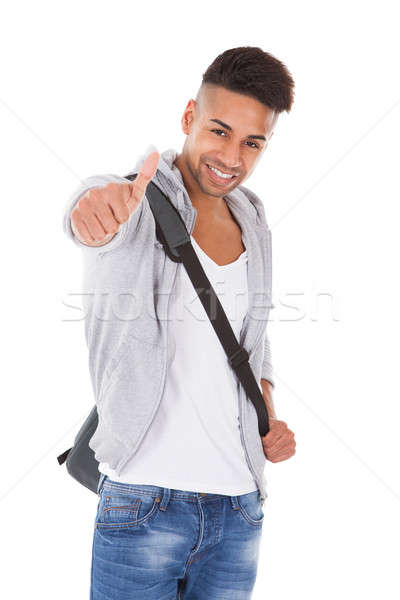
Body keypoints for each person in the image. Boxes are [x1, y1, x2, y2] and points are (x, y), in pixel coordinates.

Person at [63, 46, 296, 600]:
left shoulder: (253, 218)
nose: (232, 155)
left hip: (239, 509)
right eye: (219, 130)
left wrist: (265, 414)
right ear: (189, 117)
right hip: (143, 504)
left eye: (252, 142)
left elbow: (252, 342)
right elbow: (92, 213)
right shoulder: (134, 201)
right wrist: (91, 212)